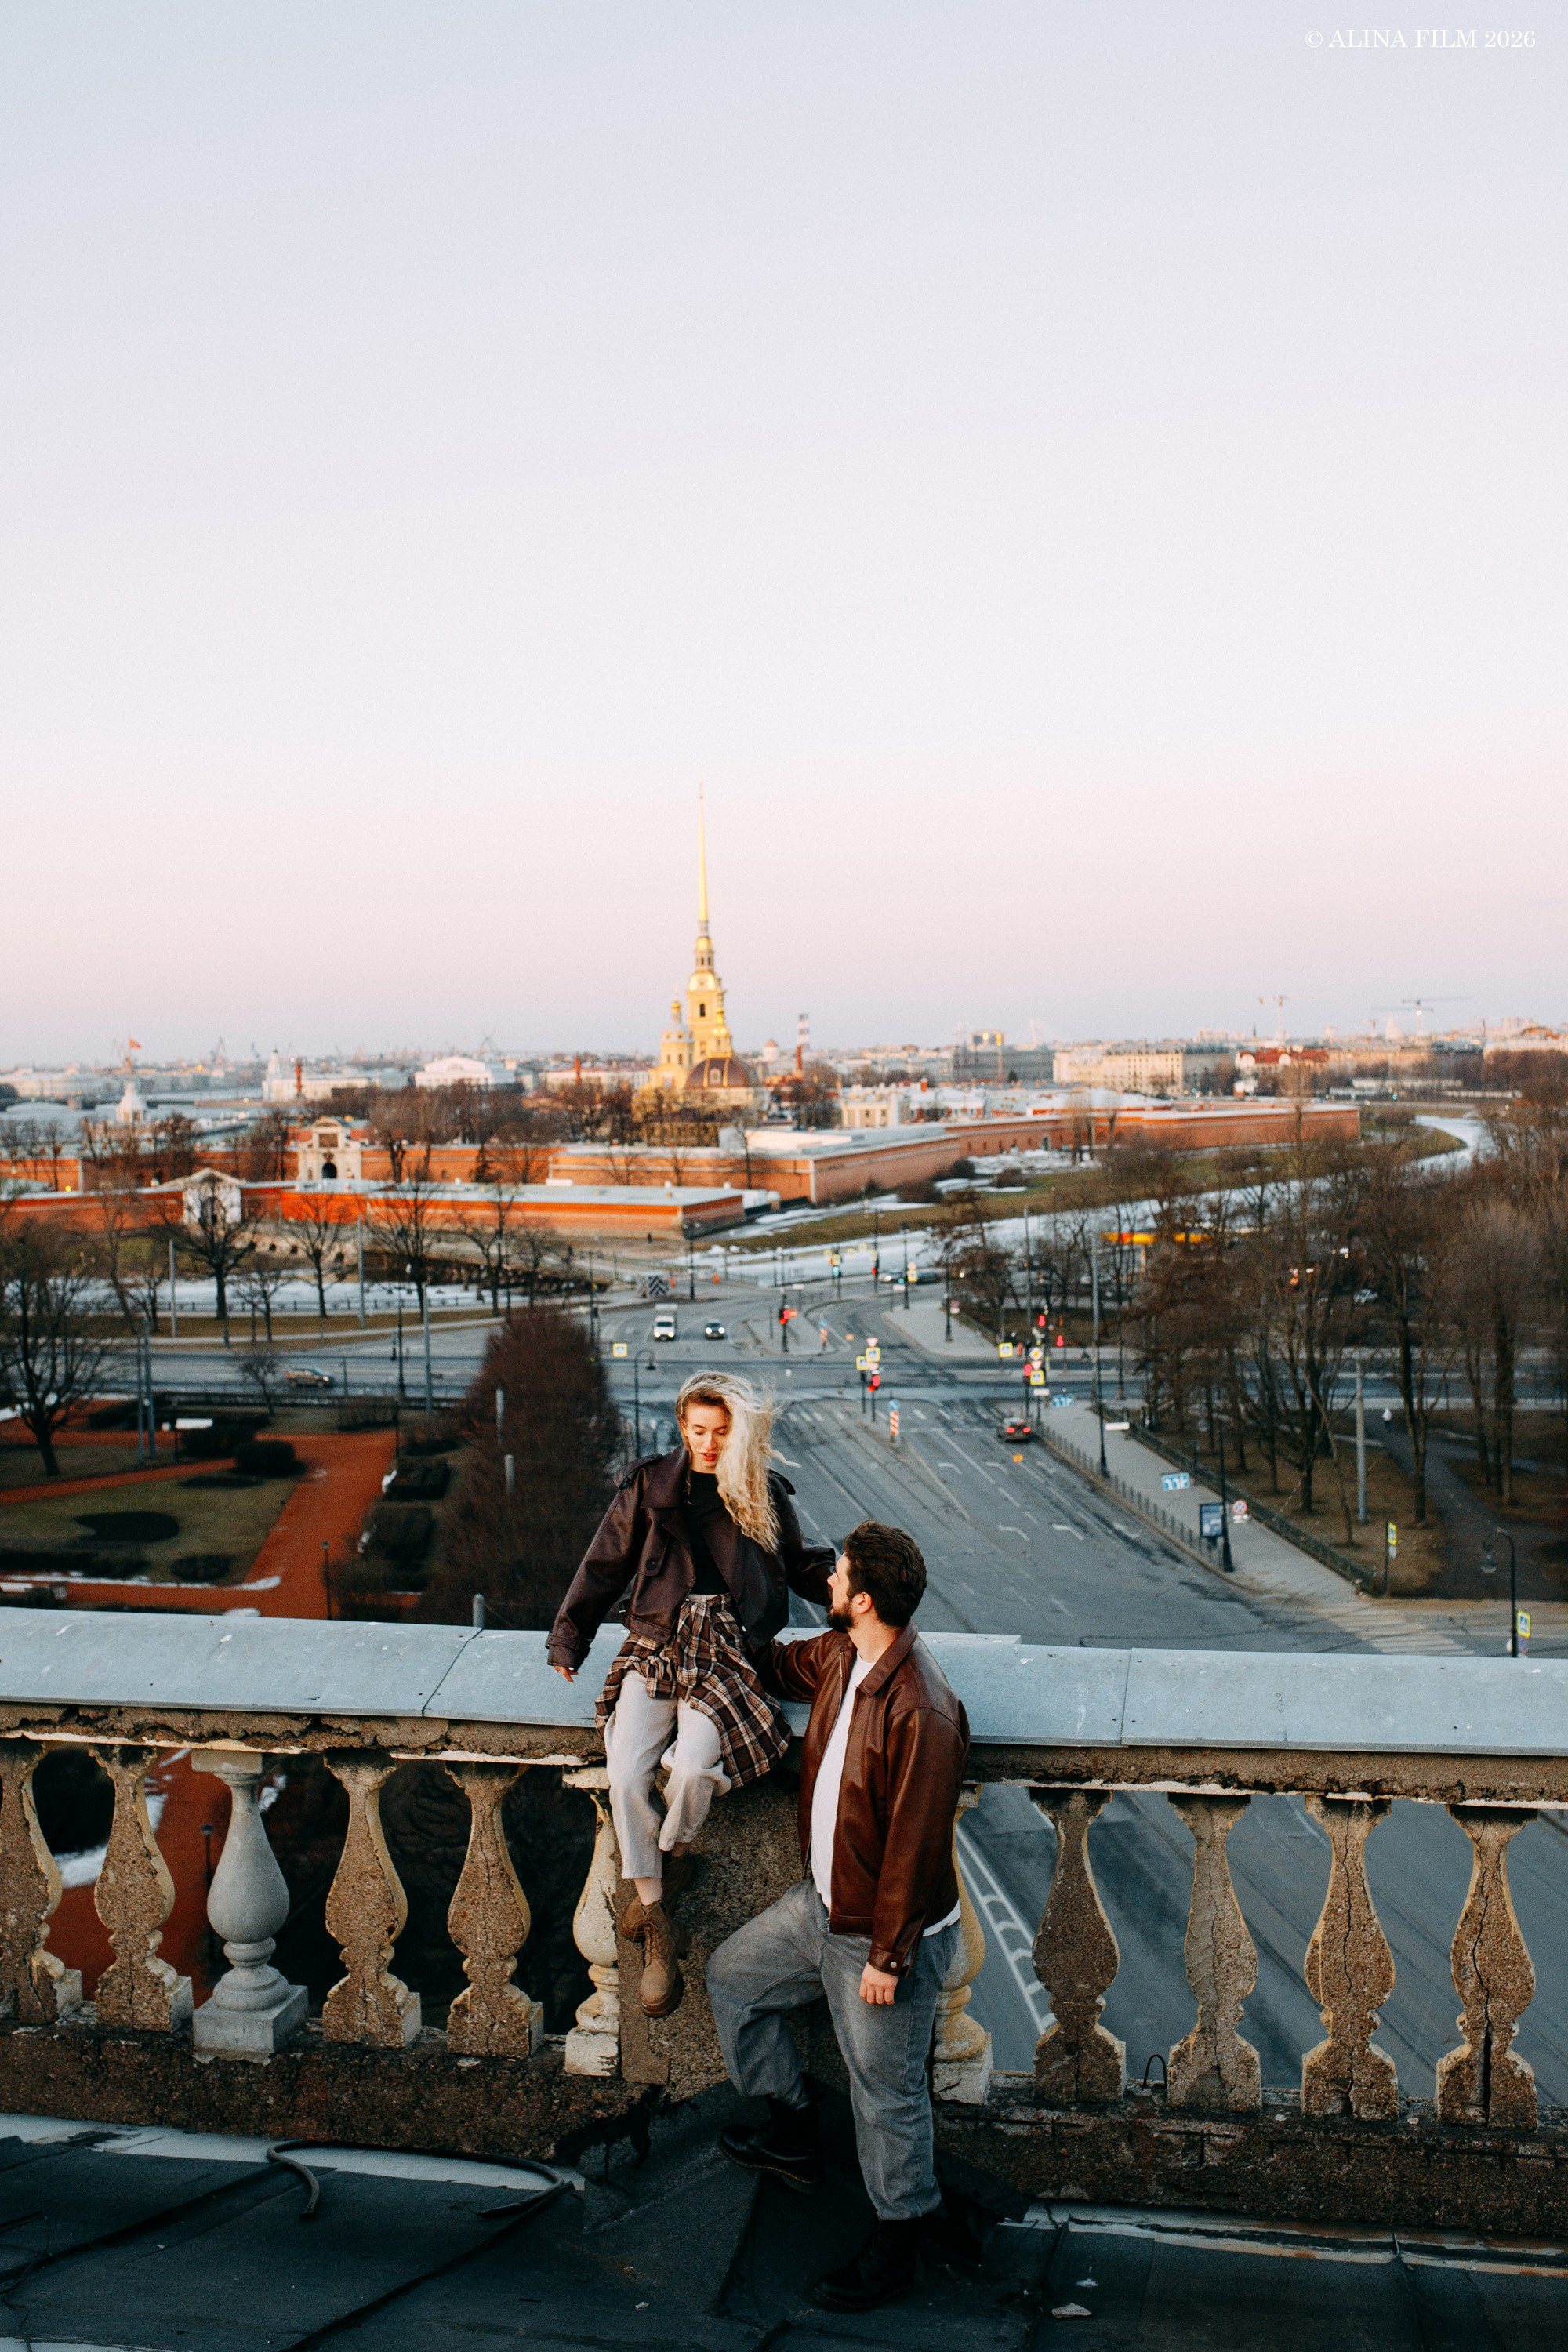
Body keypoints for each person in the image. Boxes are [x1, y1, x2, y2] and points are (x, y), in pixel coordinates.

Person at [706, 1521, 967, 2314]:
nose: (824, 1580)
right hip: (819, 1907)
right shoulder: (840, 1657)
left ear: (860, 1599)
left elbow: (915, 1852)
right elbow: (774, 1665)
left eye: (837, 1574)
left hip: (879, 1934)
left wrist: (888, 1958)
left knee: (884, 2095)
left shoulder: (922, 1709)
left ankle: (900, 2238)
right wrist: (706, 1644)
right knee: (732, 1980)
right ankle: (789, 2127)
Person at [548, 1371, 833, 2017]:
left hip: (728, 1650)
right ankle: (656, 1921)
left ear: (741, 1431)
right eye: (698, 1431)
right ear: (682, 1427)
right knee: (624, 1773)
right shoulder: (649, 1485)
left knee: (696, 1768)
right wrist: (569, 1639)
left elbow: (800, 1561)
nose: (708, 1444)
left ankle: (668, 1865)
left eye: (721, 1431)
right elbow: (603, 1564)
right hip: (655, 1641)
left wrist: (850, 1589)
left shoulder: (760, 1489)